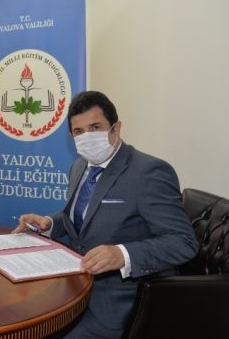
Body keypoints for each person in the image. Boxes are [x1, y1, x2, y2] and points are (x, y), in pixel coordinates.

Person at [13, 91, 198, 339]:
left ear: (116, 128)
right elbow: (81, 220)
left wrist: (122, 254)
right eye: (79, 131)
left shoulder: (149, 172)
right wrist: (49, 223)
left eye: (95, 127)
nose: (87, 137)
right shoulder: (79, 166)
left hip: (119, 305)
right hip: (73, 289)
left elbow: (183, 242)